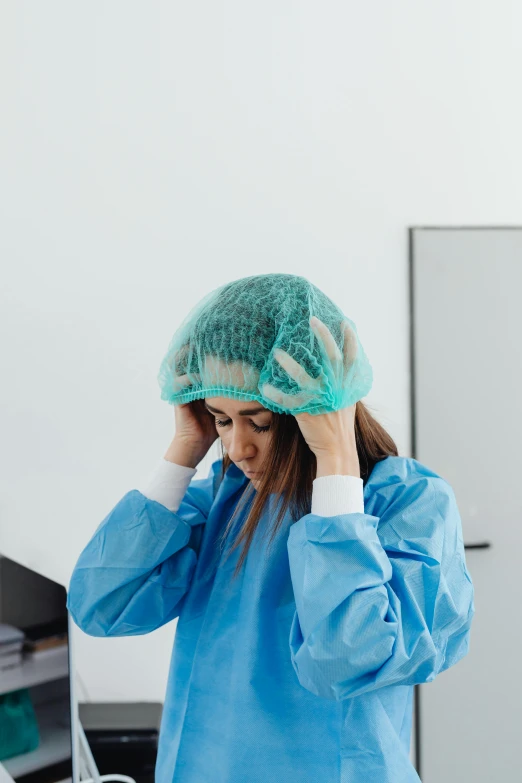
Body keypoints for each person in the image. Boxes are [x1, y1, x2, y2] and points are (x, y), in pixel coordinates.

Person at [66, 273, 475, 783]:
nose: (237, 449)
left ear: (316, 405)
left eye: (258, 422)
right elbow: (101, 604)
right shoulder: (226, 500)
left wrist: (335, 458)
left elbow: (346, 658)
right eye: (220, 418)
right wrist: (185, 448)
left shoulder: (408, 505)